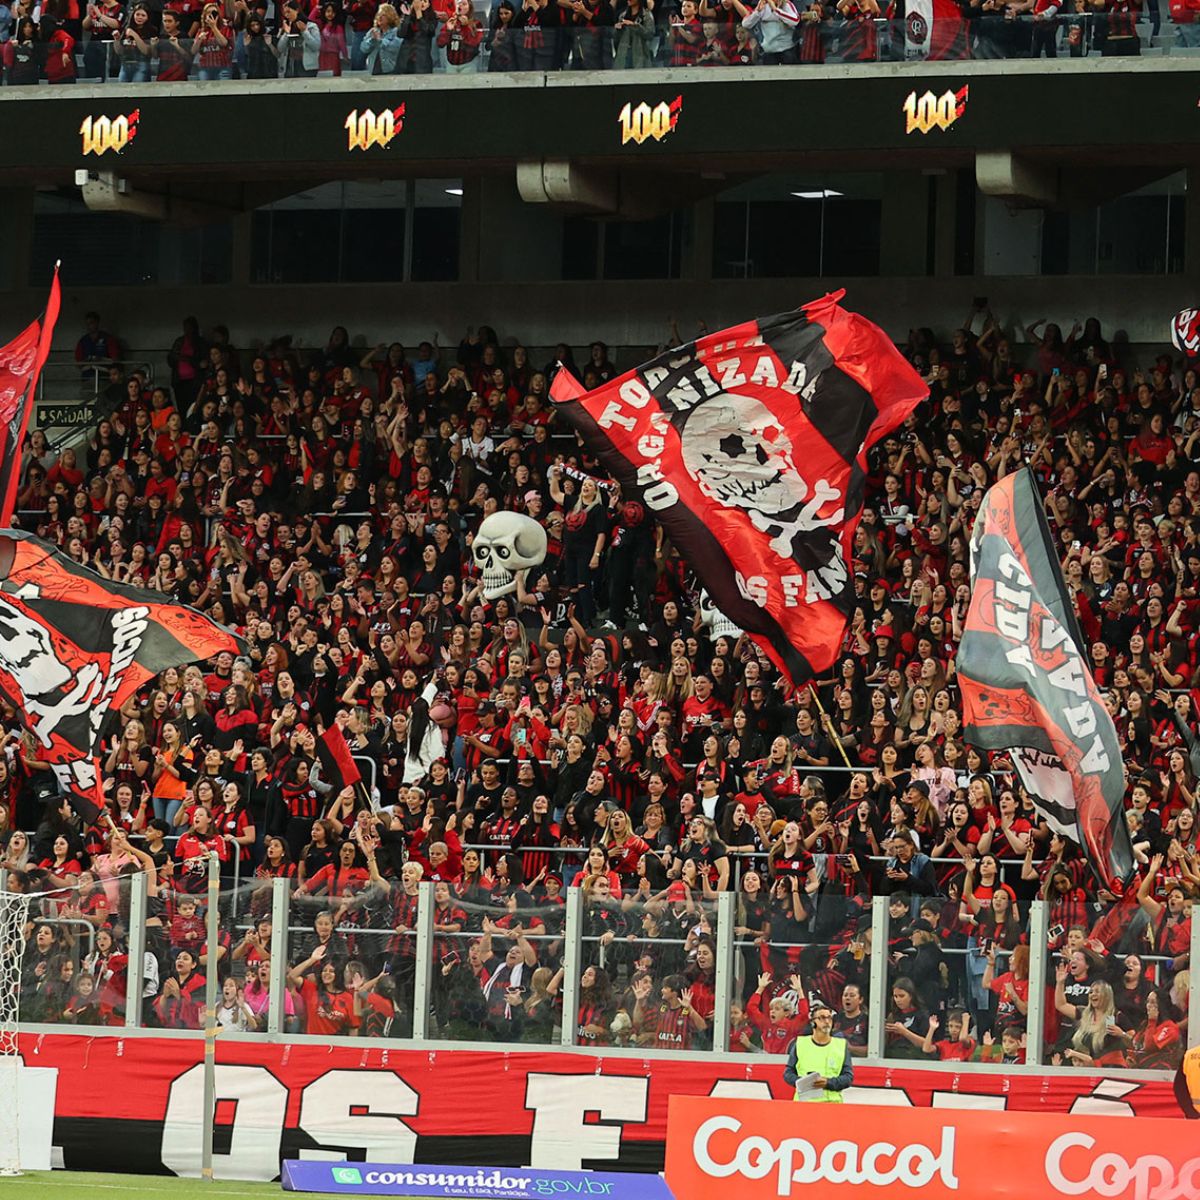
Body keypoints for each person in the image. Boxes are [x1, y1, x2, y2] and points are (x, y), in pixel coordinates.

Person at [782, 1003, 853, 1102]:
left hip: (832, 1105)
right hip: (805, 1105)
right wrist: (803, 1082)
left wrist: (828, 1082)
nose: (827, 1021)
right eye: (822, 1018)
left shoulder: (841, 1045)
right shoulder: (800, 1044)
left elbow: (848, 1077)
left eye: (829, 1018)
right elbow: (788, 1073)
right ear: (812, 1022)